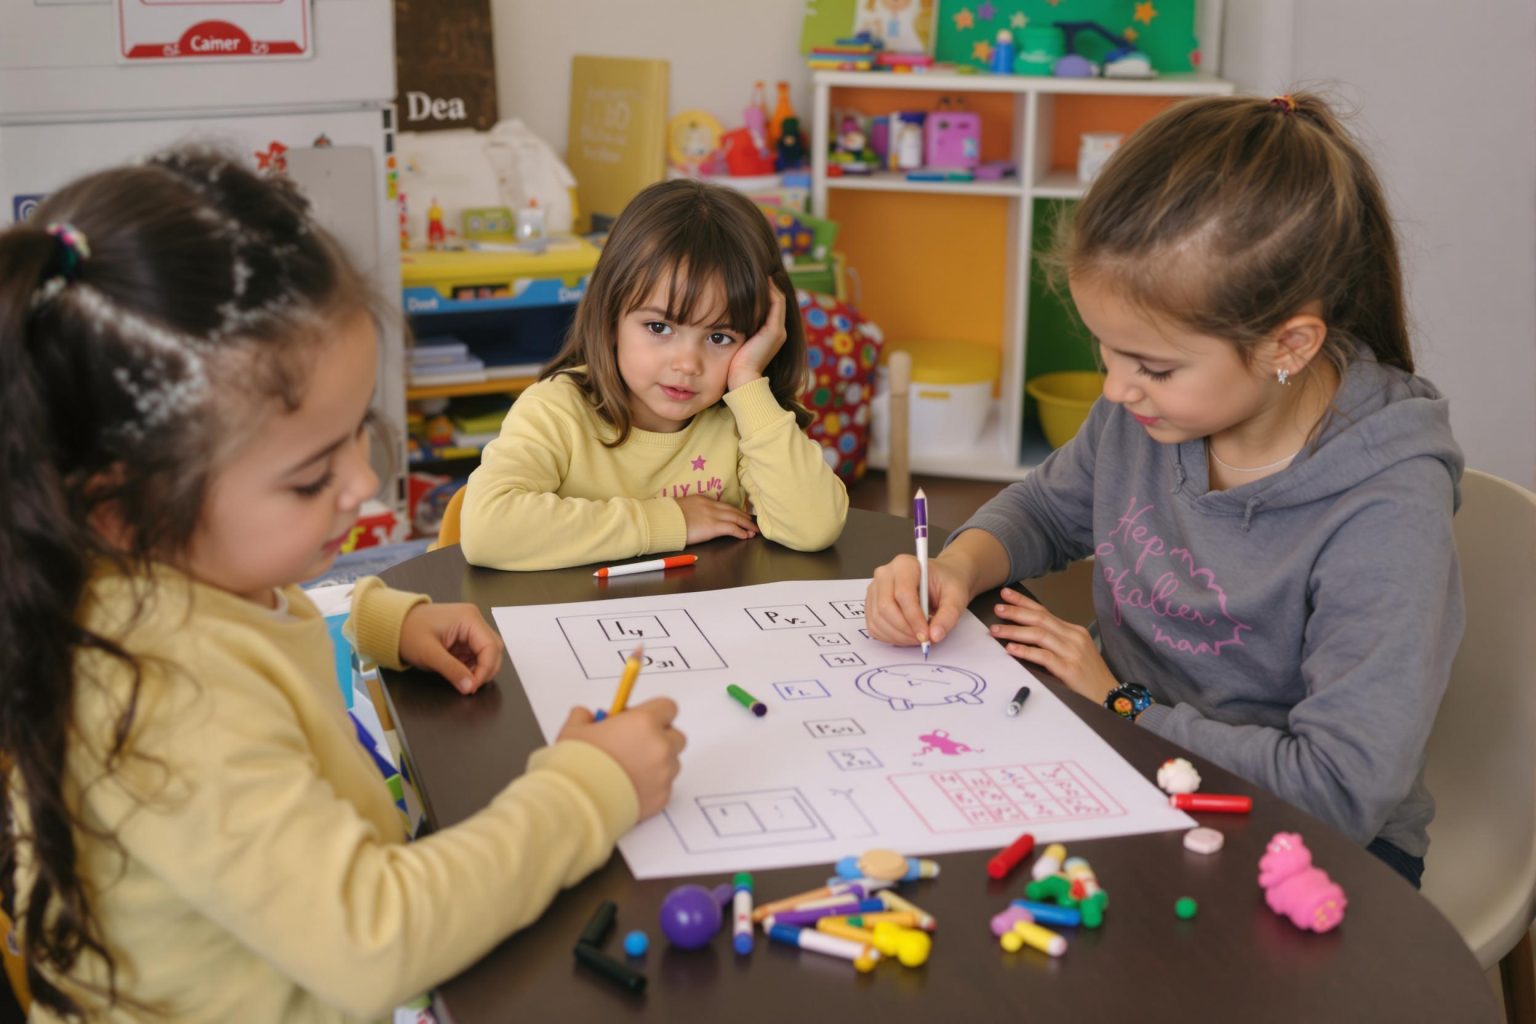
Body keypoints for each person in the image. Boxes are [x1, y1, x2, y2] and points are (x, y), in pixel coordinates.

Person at [0, 148, 685, 1021]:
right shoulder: (162, 697)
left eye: (360, 432)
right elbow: (379, 940)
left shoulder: (172, 575)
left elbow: (262, 636)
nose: (362, 484)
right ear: (120, 506)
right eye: (308, 477)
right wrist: (589, 787)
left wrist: (376, 620)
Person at [865, 93, 1464, 889]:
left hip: (1308, 846)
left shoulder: (1387, 513)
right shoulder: (1153, 417)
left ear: (1289, 343)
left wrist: (1124, 706)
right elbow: (1048, 508)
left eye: (1151, 367)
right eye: (1105, 351)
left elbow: (1340, 788)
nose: (1115, 390)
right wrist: (960, 566)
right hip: (1127, 757)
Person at [460, 178, 848, 572]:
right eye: (659, 328)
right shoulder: (556, 410)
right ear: (610, 317)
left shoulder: (744, 417)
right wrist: (668, 520)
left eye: (719, 336)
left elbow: (814, 526)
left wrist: (747, 380)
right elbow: (486, 529)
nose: (687, 364)